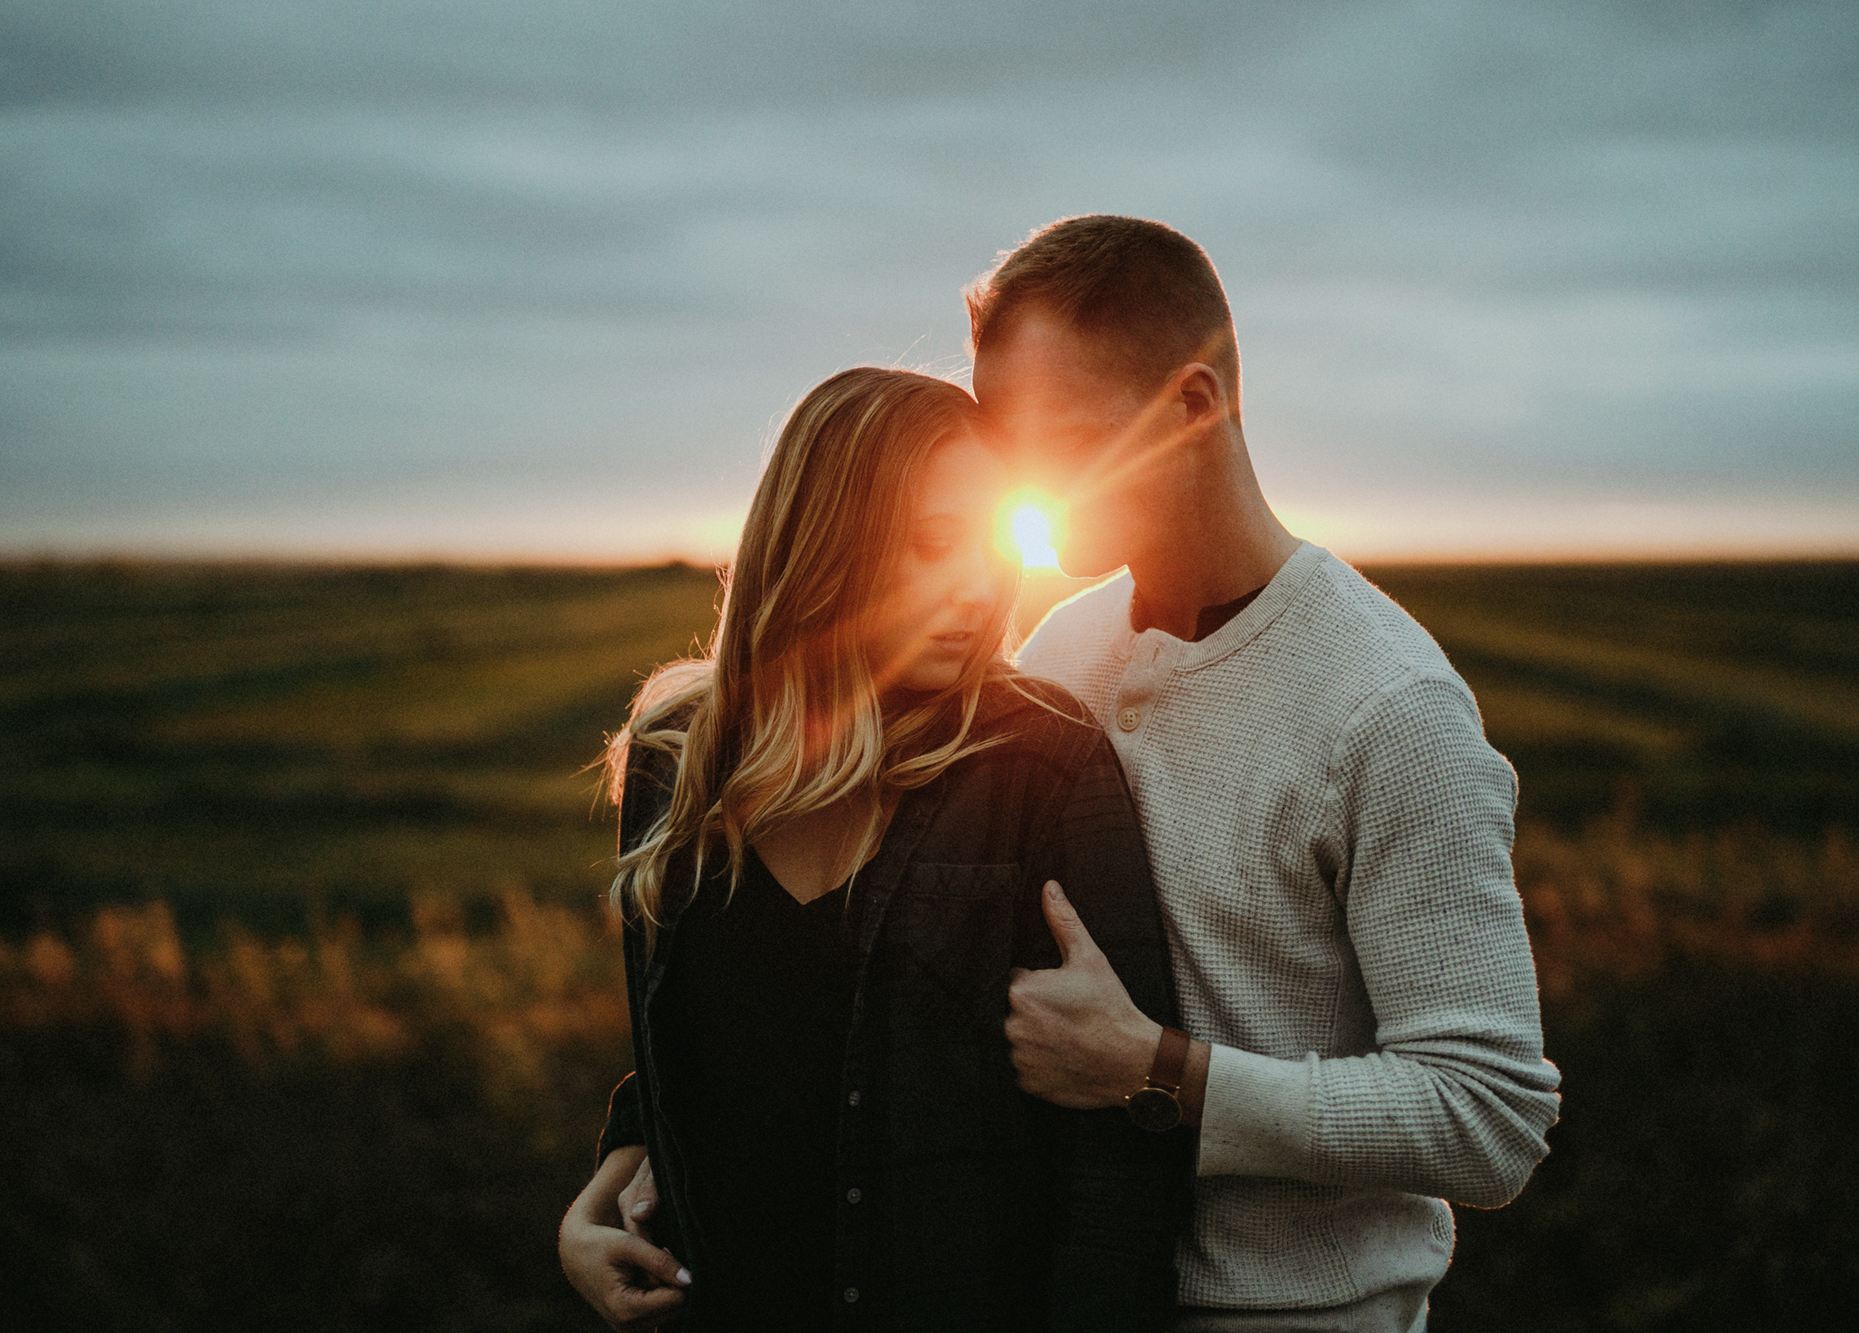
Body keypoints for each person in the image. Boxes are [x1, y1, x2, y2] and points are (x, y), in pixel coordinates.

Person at [977, 216, 1563, 1332]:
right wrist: (644, 1147)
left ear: (1191, 408)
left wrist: (1161, 1071)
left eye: (1054, 430)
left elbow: (1489, 1115)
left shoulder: (1390, 709)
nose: (1021, 475)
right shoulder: (1052, 652)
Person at [555, 366, 1190, 1332]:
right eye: (932, 545)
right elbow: (708, 1045)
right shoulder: (676, 763)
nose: (979, 586)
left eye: (993, 543)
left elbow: (1122, 1167)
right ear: (821, 544)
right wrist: (597, 1199)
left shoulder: (1042, 766)